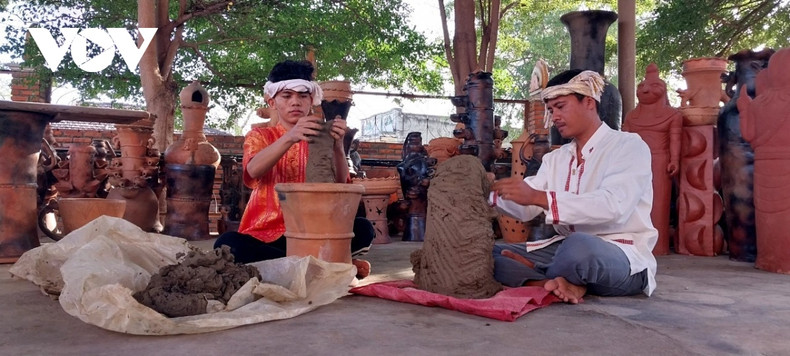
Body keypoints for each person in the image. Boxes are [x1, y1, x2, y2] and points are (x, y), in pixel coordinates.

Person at [490, 69, 657, 303]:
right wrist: (492, 191)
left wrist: (541, 198)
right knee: (484, 253)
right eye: (550, 110)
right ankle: (554, 282)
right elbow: (527, 206)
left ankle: (541, 272)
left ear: (589, 102)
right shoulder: (556, 158)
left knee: (579, 247)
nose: (554, 117)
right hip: (563, 250)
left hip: (618, 254)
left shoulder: (629, 146)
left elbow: (613, 206)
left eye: (561, 106)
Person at [214, 60, 375, 277]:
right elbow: (252, 172)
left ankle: (299, 268)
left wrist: (338, 146)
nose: (295, 102)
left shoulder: (321, 135)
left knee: (364, 228)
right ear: (272, 101)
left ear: (312, 100)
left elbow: (339, 185)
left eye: (302, 96)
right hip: (267, 233)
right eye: (287, 96)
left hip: (314, 230)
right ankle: (328, 264)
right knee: (227, 245)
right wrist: (290, 137)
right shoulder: (260, 136)